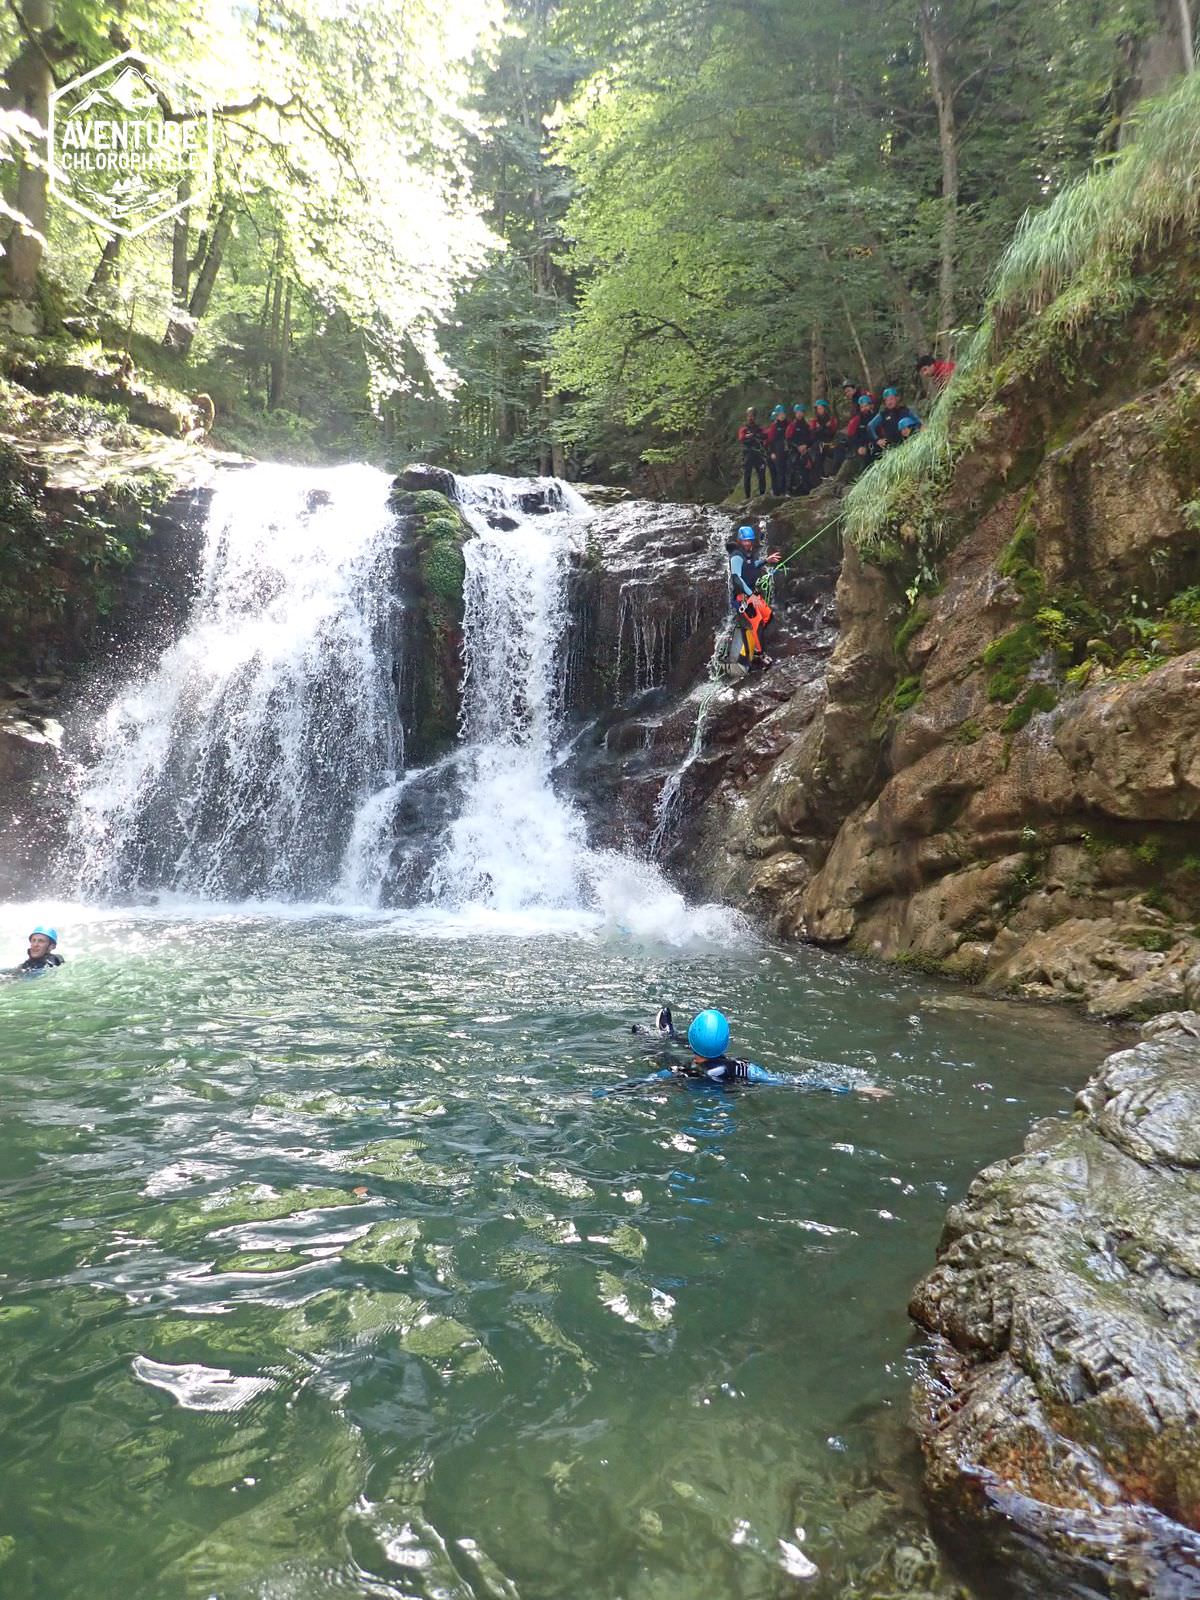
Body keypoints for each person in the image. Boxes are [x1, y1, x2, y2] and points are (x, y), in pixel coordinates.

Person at [612, 1007, 892, 1095]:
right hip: (721, 1093)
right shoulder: (745, 1069)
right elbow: (794, 1081)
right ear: (726, 1042)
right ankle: (669, 1035)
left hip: (689, 1082)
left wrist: (597, 1094)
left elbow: (638, 1085)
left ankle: (664, 1036)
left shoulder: (679, 1071)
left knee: (658, 1054)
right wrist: (855, 1089)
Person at [727, 524, 780, 672]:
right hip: (743, 597)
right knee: (757, 624)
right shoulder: (736, 556)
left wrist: (766, 561)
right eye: (745, 541)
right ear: (739, 541)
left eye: (749, 540)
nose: (748, 543)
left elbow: (751, 566)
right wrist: (750, 596)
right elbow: (737, 579)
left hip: (752, 594)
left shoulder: (748, 554)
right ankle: (760, 654)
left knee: (768, 615)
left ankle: (754, 641)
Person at [785, 403, 814, 496]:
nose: (799, 414)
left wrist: (806, 446)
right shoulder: (792, 425)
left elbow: (811, 438)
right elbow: (788, 439)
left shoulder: (806, 425)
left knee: (806, 468)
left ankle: (806, 489)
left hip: (805, 450)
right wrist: (797, 447)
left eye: (801, 412)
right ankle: (789, 490)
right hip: (794, 450)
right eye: (797, 412)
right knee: (792, 467)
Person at [737, 407, 768, 498]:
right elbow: (741, 438)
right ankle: (747, 496)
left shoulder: (759, 428)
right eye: (749, 416)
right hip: (748, 453)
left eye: (753, 416)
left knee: (761, 474)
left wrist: (757, 435)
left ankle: (762, 494)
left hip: (758, 454)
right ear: (747, 416)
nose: (751, 417)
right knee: (747, 475)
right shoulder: (744, 428)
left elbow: (765, 435)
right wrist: (748, 436)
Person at [765, 405, 790, 496]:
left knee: (785, 470)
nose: (781, 416)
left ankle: (784, 490)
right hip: (776, 451)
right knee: (777, 471)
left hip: (785, 450)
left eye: (782, 414)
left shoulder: (788, 424)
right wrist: (772, 452)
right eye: (780, 414)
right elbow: (770, 440)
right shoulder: (774, 426)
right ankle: (777, 491)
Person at [810, 399, 839, 476]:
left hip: (829, 442)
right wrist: (823, 428)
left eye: (821, 408)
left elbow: (832, 432)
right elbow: (813, 434)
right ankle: (820, 476)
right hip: (818, 443)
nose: (819, 410)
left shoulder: (831, 420)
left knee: (837, 450)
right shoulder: (814, 420)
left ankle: (833, 473)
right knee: (818, 454)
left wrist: (821, 429)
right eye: (818, 409)